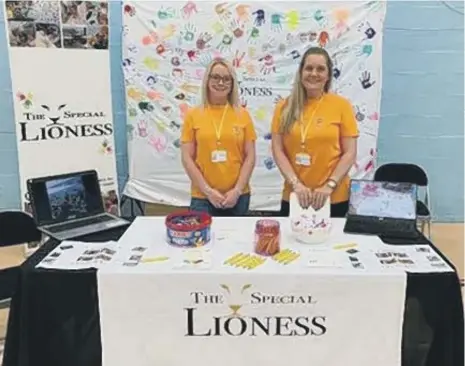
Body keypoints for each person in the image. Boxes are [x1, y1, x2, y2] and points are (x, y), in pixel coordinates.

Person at [271, 47, 358, 218]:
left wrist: (329, 185)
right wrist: (296, 184)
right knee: (292, 244)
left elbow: (350, 152)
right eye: (309, 68)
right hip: (295, 196)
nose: (314, 73)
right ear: (301, 72)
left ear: (328, 75)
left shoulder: (342, 106)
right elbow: (277, 150)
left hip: (334, 197)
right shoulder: (284, 107)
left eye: (320, 69)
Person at [180, 58, 257, 216]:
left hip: (238, 197)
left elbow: (250, 156)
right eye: (215, 77)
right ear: (207, 80)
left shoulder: (243, 115)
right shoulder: (193, 115)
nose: (220, 82)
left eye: (226, 78)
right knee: (202, 241)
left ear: (232, 83)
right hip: (202, 197)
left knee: (236, 240)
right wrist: (208, 191)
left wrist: (237, 191)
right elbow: (187, 158)